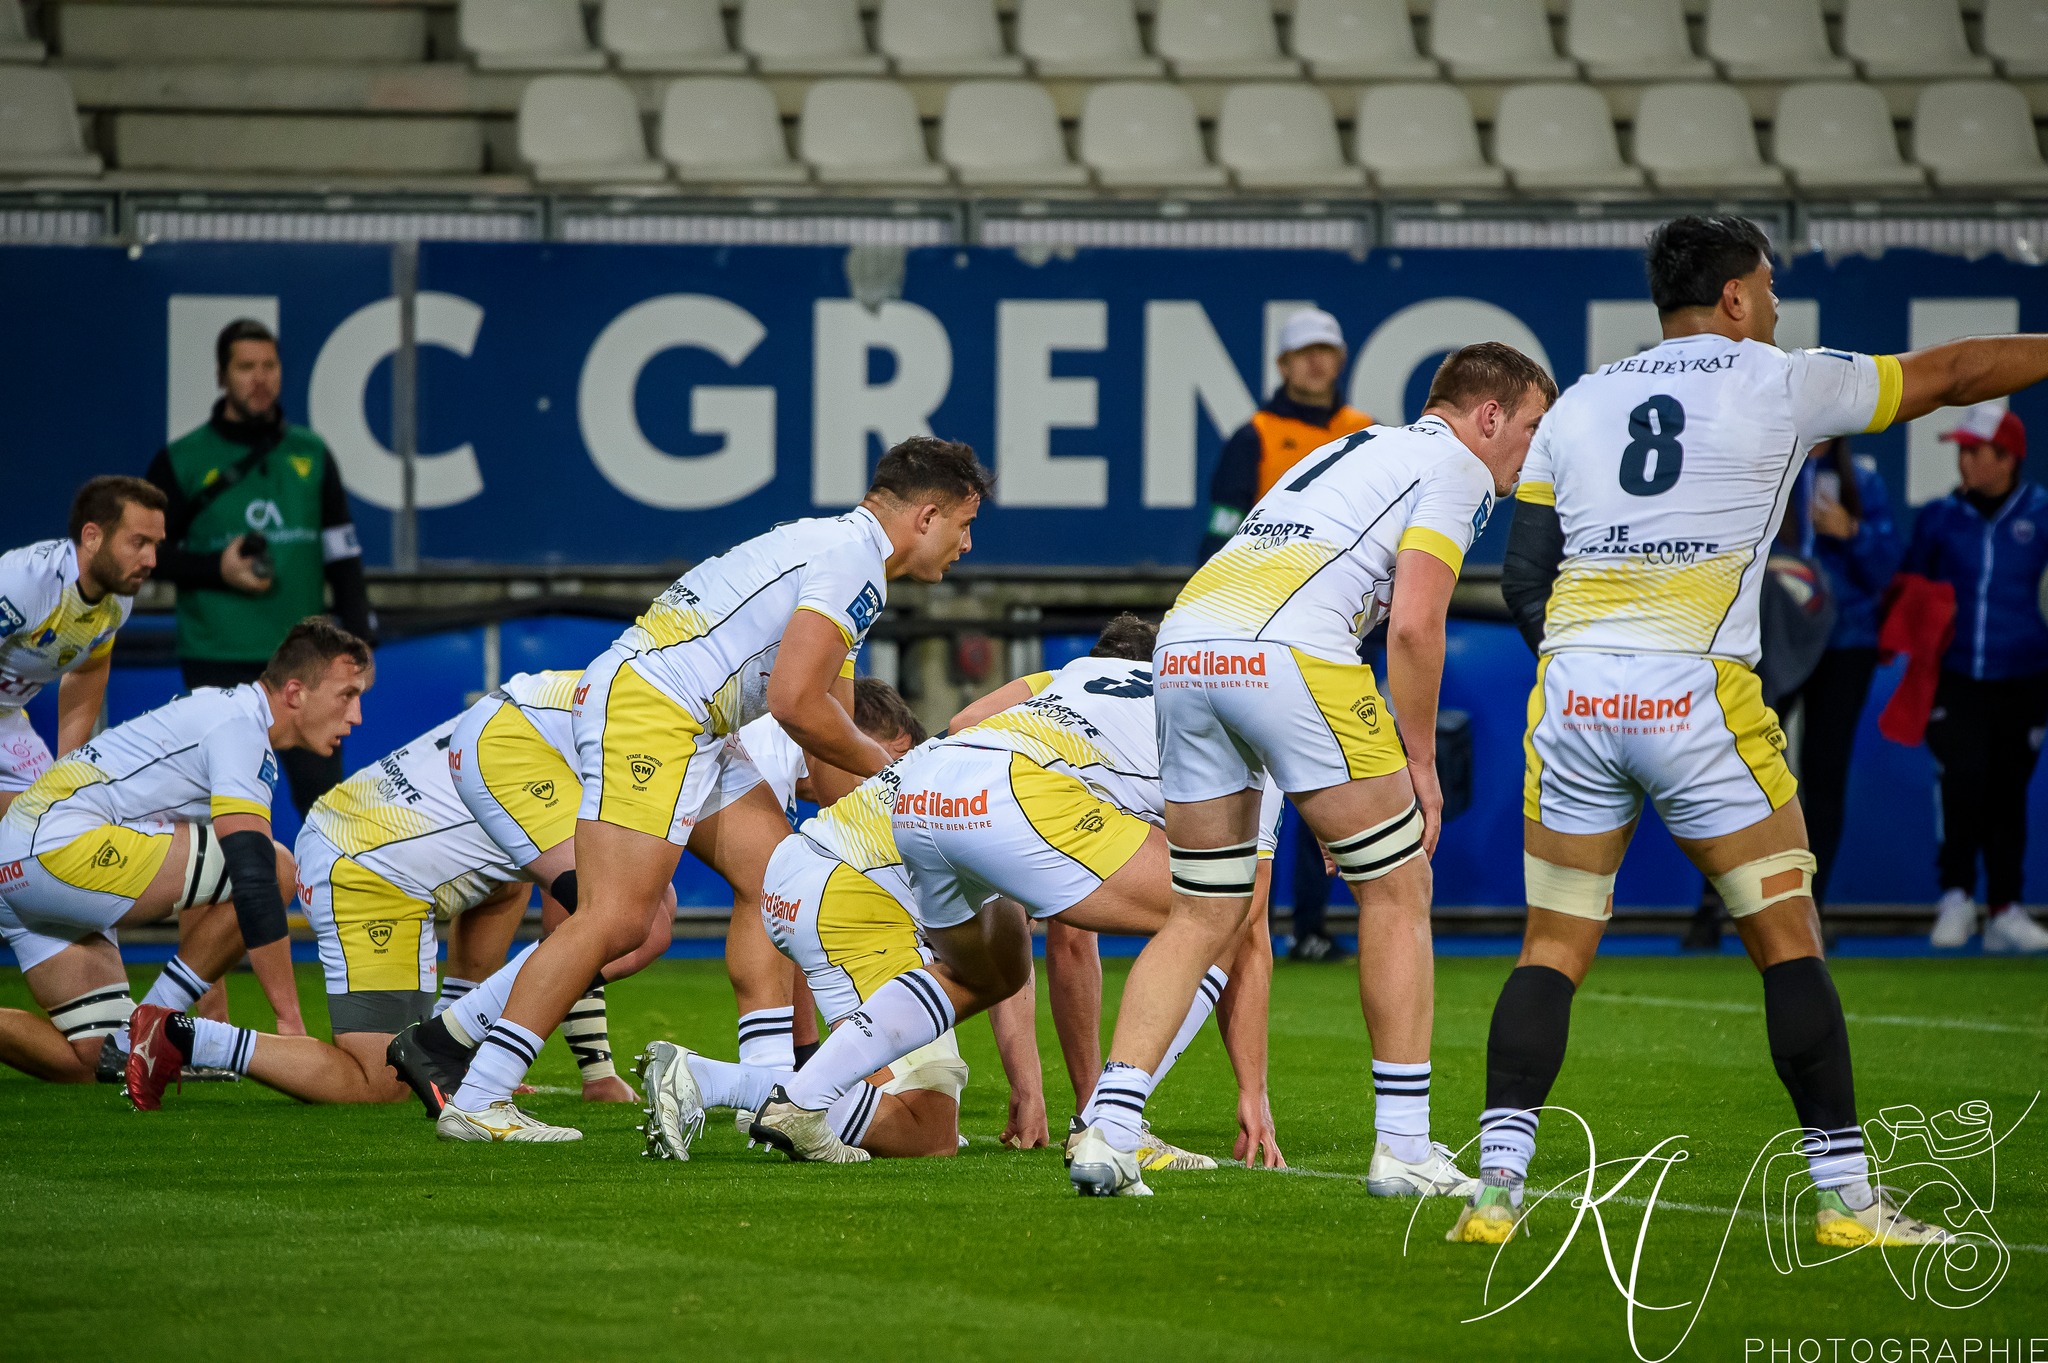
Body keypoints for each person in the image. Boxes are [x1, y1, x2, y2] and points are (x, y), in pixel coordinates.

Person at [1456, 214, 2048, 1250]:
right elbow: (1953, 371)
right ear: (1733, 297)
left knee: (1547, 946)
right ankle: (1847, 1202)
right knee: (1784, 942)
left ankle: (1492, 1197)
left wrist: (1591, 656)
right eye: (1767, 286)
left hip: (1576, 689)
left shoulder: (1582, 399)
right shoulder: (1779, 376)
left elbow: (1526, 566)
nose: (1773, 303)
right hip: (1694, 692)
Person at [1063, 343, 1552, 1200]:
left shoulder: (1340, 448)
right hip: (1288, 654)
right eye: (1531, 426)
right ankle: (1403, 1145)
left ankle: (1106, 1127)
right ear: (1487, 417)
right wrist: (1419, 763)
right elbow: (1412, 627)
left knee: (1202, 909)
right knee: (1398, 886)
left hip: (1184, 649)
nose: (1531, 449)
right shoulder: (1458, 468)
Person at [432, 437, 988, 1143]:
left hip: (684, 717)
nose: (967, 545)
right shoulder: (852, 563)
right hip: (658, 709)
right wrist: (900, 776)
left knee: (784, 877)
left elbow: (832, 739)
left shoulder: (845, 556)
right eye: (965, 525)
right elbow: (795, 704)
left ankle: (777, 1091)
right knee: (618, 917)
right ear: (927, 515)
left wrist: (886, 835)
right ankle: (479, 1095)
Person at [749, 617, 1285, 1176]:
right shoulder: (1256, 730)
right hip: (1008, 798)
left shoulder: (1080, 672)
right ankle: (1114, 1123)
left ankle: (803, 1098)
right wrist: (1254, 1093)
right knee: (1218, 906)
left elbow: (964, 720)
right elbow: (1249, 925)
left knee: (991, 971)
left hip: (925, 789)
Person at [129, 672, 664, 1111]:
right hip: (368, 871)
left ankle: (455, 1051)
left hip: (360, 830)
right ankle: (182, 1036)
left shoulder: (574, 695)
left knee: (511, 882)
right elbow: (583, 925)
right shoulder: (624, 747)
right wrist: (598, 1072)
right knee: (377, 1081)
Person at [637, 680, 1049, 1161]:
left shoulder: (973, 749)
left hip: (808, 877)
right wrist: (1029, 1086)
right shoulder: (1022, 790)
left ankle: (742, 1088)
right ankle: (711, 1081)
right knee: (928, 1131)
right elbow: (1011, 950)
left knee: (888, 1094)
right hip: (852, 902)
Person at [0, 618, 367, 1097]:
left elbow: (200, 882)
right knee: (275, 867)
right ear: (295, 692)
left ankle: (132, 1039)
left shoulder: (222, 714)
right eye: (347, 694)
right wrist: (290, 1022)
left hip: (18, 863)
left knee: (90, 1060)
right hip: (57, 848)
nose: (356, 715)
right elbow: (253, 877)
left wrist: (214, 1008)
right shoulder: (241, 729)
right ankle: (151, 1025)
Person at [144, 319, 376, 815]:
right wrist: (216, 569)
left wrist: (359, 638)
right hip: (218, 655)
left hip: (303, 658)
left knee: (327, 801)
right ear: (222, 375)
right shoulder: (183, 460)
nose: (260, 378)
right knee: (223, 802)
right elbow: (145, 552)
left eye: (269, 365)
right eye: (246, 367)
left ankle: (336, 890)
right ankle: (220, 893)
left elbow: (343, 552)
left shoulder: (311, 454)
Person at [1907, 403, 2048, 952]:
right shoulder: (1940, 518)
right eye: (1961, 450)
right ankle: (1956, 897)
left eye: (1973, 450)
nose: (1963, 461)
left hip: (2026, 676)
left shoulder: (2040, 514)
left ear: (2007, 458)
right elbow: (1912, 589)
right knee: (1962, 780)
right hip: (1956, 676)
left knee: (2009, 790)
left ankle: (2007, 908)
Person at [0, 477, 166, 816]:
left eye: (156, 545)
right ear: (92, 537)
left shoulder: (117, 599)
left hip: (6, 714)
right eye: (138, 542)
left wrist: (66, 769)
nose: (151, 560)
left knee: (54, 816)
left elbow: (88, 671)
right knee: (29, 823)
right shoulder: (24, 583)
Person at [1790, 438, 1903, 920]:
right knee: (1740, 772)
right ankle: (1720, 906)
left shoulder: (1863, 479)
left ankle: (1809, 908)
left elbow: (1886, 568)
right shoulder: (1768, 468)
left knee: (1825, 774)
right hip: (1773, 637)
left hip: (1846, 641)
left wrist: (1850, 530)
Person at [1198, 307, 1373, 564]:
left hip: (1355, 585)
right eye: (1303, 352)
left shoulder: (1368, 431)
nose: (1315, 361)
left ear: (1341, 359)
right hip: (1270, 584)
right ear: (1283, 364)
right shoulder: (1254, 436)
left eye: (1325, 350)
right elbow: (1223, 529)